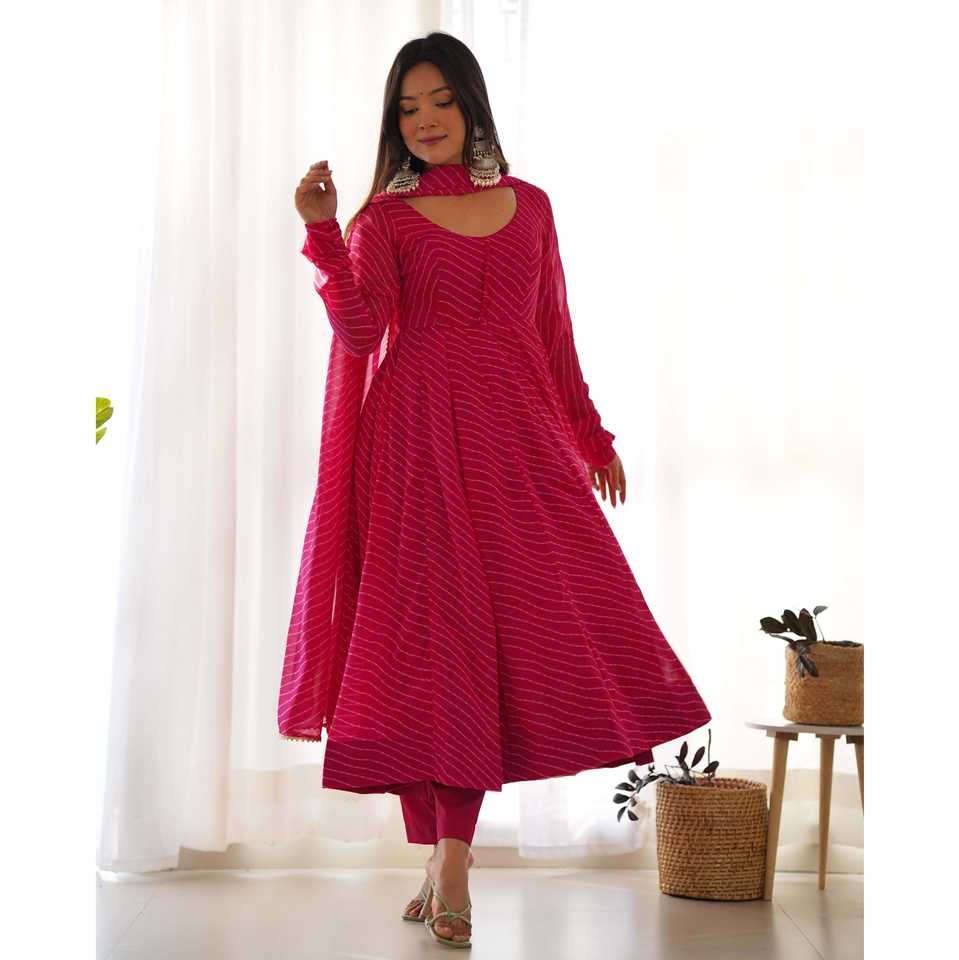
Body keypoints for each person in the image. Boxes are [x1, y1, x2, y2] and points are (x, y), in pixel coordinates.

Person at [279, 31, 712, 948]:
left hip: (519, 440)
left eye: (440, 100)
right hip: (414, 445)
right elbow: (361, 332)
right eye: (407, 108)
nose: (425, 120)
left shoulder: (532, 207)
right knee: (427, 650)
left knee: (529, 636)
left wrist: (591, 437)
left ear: (471, 103)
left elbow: (552, 332)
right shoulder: (384, 221)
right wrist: (323, 228)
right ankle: (452, 861)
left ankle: (445, 855)